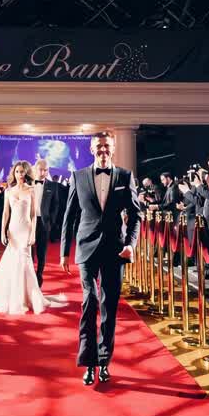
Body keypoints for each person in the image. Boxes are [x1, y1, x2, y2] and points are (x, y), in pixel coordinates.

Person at [61, 132, 141, 385]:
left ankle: (104, 361)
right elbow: (70, 215)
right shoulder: (78, 176)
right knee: (90, 300)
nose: (103, 150)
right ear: (92, 149)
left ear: (113, 149)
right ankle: (88, 362)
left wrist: (131, 244)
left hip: (114, 250)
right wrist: (65, 250)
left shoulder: (125, 176)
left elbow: (136, 215)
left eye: (107, 146)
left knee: (109, 307)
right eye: (99, 147)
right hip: (86, 249)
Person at [0, 161, 67, 315]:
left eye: (22, 172)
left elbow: (33, 214)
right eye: (17, 172)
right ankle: (10, 295)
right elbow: (6, 213)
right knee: (11, 261)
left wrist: (33, 232)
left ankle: (26, 296)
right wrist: (2, 231)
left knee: (25, 262)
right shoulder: (8, 191)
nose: (20, 174)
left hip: (26, 229)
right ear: (14, 173)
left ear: (26, 173)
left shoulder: (31, 190)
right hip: (13, 229)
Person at [33, 159, 65, 285]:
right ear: (35, 169)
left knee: (42, 251)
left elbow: (55, 205)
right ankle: (29, 276)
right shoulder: (28, 183)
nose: (43, 172)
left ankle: (39, 275)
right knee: (28, 252)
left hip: (44, 223)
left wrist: (51, 221)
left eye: (46, 170)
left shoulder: (52, 185)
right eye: (41, 169)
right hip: (29, 222)